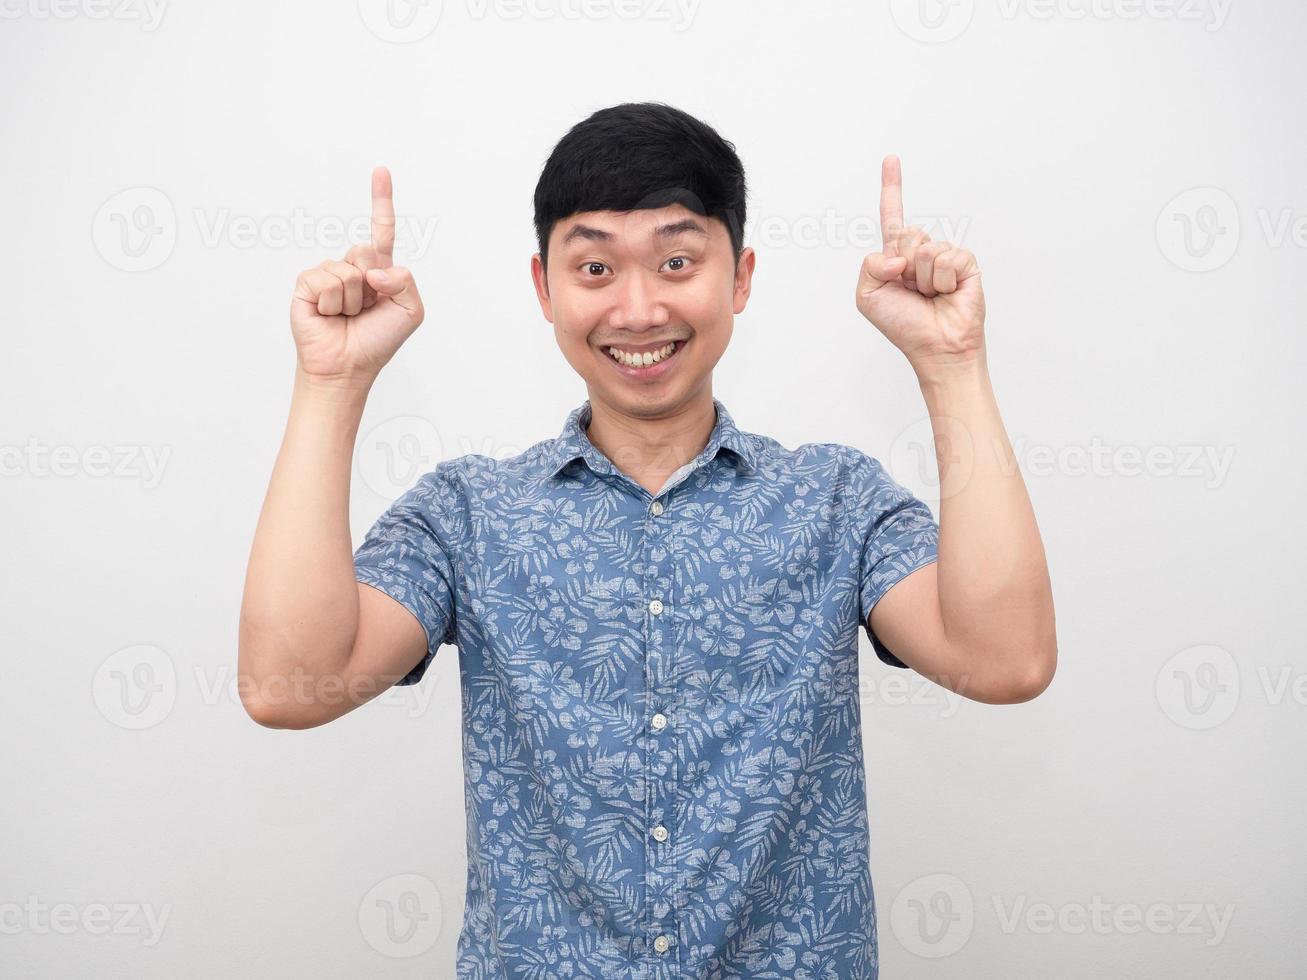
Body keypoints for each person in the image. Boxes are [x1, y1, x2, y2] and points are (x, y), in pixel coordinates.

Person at [238, 102, 1056, 979]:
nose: (637, 308)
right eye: (594, 266)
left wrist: (950, 362)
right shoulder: (468, 515)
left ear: (739, 278)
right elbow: (288, 685)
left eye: (676, 261)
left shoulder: (836, 500)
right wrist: (331, 381)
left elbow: (1003, 661)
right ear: (543, 287)